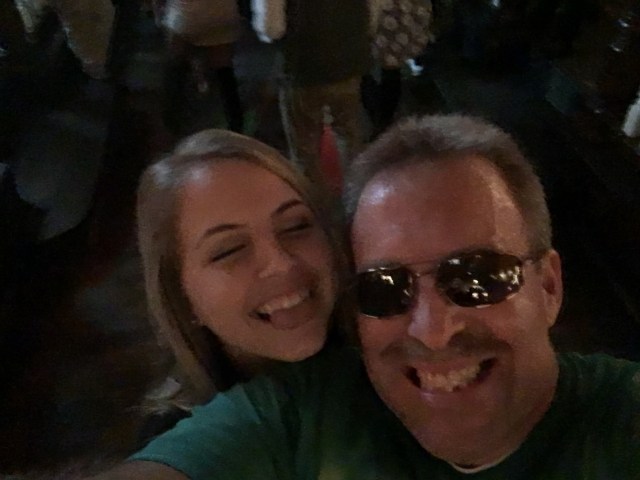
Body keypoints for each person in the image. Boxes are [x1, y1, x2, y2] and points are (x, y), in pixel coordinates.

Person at [89, 115, 640, 479]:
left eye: (479, 276)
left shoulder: (616, 418)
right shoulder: (288, 412)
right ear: (181, 298)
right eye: (387, 287)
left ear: (549, 286)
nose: (432, 330)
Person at [134, 129, 347, 421]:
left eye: (296, 226)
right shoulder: (185, 436)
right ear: (181, 298)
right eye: (229, 250)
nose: (281, 264)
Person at [155, 0, 245, 134]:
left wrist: (158, 14)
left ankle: (173, 123)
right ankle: (235, 124)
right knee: (224, 71)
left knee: (176, 63)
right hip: (222, 14)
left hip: (186, 15)